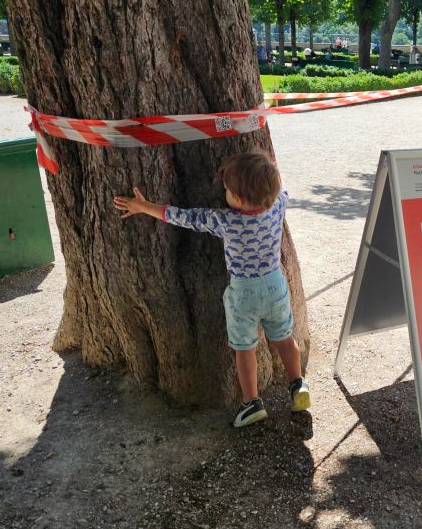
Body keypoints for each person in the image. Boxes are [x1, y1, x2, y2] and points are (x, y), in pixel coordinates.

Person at [113, 151, 311, 427]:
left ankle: (252, 402)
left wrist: (143, 206)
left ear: (238, 200)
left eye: (228, 191)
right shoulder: (277, 206)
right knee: (284, 338)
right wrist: (271, 176)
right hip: (275, 285)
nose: (225, 194)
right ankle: (298, 384)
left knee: (245, 349)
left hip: (243, 294)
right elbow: (282, 189)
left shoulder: (225, 221)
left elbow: (183, 217)